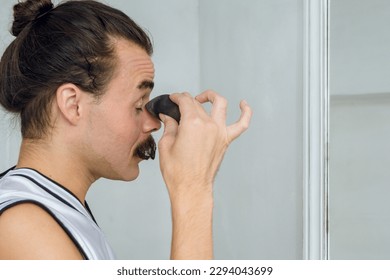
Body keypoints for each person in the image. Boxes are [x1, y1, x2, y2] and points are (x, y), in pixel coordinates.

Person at [0, 0, 252, 260]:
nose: (153, 123)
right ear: (73, 104)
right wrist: (193, 188)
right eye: (138, 104)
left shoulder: (54, 209)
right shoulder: (23, 228)